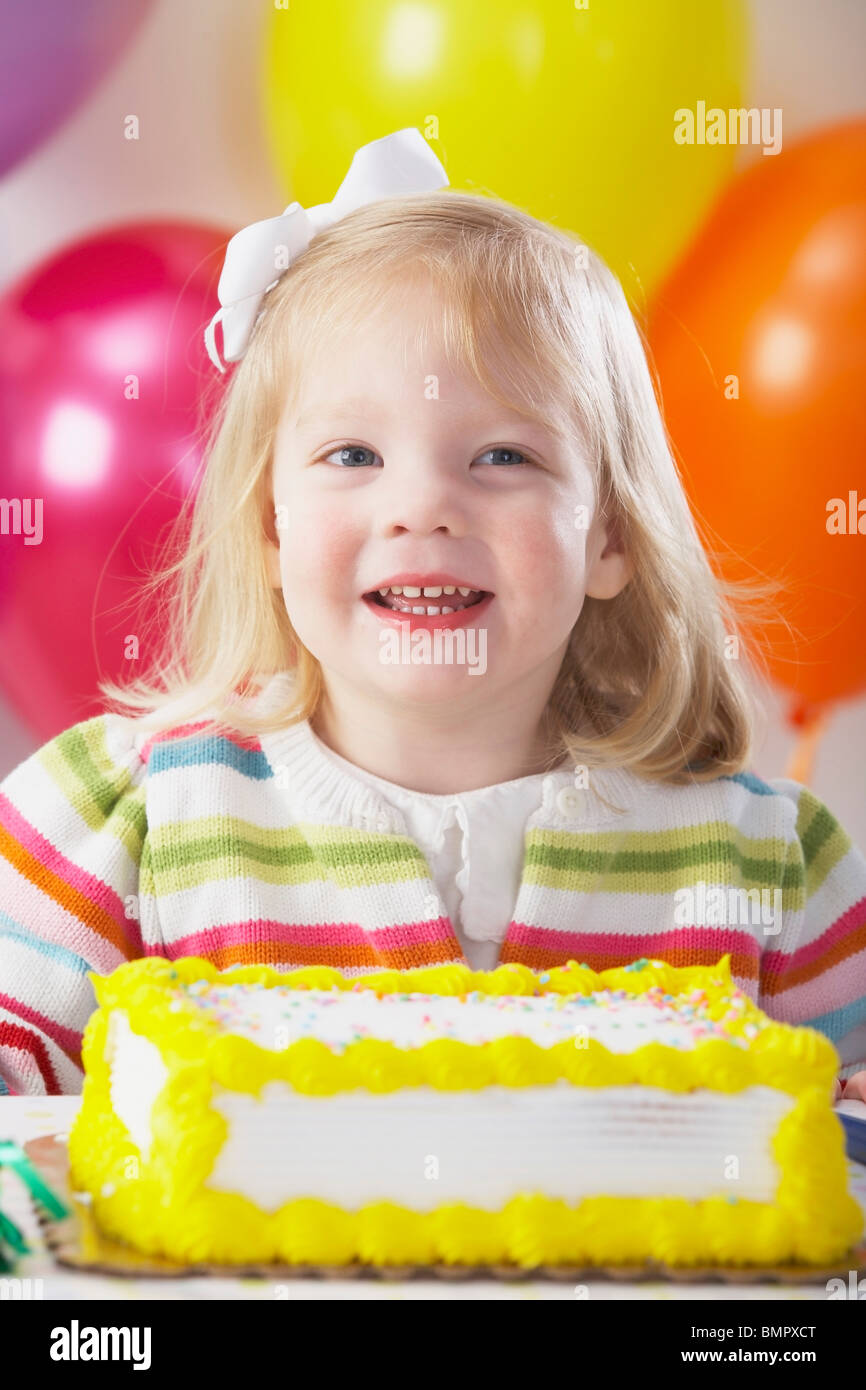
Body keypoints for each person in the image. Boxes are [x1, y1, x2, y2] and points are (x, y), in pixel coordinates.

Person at [1, 129, 864, 1099]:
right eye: (353, 456)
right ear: (269, 530)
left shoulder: (766, 870)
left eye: (501, 456)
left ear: (609, 538)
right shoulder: (129, 822)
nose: (421, 507)